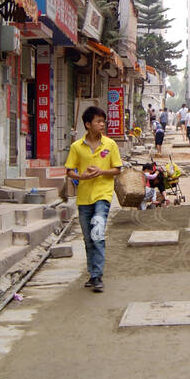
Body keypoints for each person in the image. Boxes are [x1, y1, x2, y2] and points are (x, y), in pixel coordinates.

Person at [66, 105, 122, 293]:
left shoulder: (110, 145)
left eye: (103, 121)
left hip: (103, 195)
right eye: (98, 121)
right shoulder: (76, 147)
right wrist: (81, 177)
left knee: (97, 232)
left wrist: (101, 172)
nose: (102, 125)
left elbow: (117, 169)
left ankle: (97, 276)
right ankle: (92, 273)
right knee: (88, 237)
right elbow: (69, 171)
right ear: (88, 124)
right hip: (83, 198)